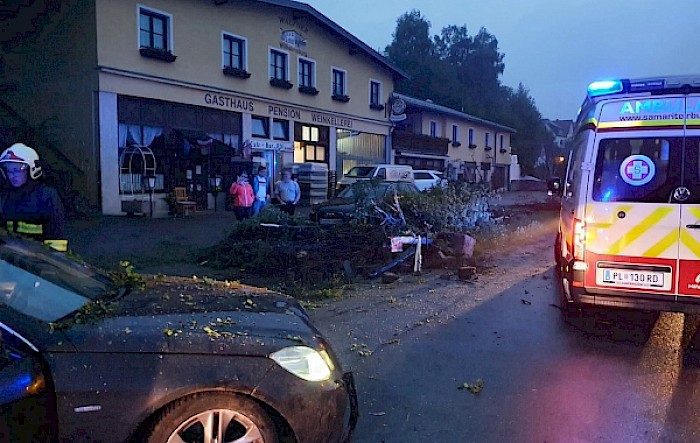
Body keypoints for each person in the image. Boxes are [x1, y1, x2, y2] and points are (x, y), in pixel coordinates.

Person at [0, 143, 67, 251]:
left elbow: (57, 242)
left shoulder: (47, 197)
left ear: (32, 169)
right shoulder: (5, 196)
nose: (12, 174)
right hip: (11, 258)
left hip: (39, 259)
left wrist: (51, 265)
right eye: (9, 169)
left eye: (18, 169)